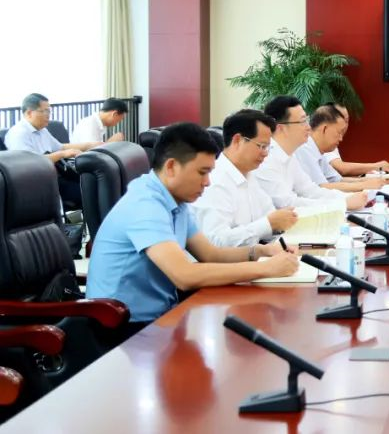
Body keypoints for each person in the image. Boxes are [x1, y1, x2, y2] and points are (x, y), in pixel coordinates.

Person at [86, 122, 299, 333]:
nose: (207, 182)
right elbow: (184, 275)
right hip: (122, 328)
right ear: (171, 167)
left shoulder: (175, 200)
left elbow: (210, 254)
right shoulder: (145, 204)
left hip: (161, 317)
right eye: (202, 172)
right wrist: (265, 269)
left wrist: (261, 252)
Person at [191, 109, 299, 247]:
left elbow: (270, 217)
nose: (265, 154)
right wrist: (268, 224)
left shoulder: (249, 176)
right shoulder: (215, 181)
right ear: (237, 140)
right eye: (261, 146)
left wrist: (281, 221)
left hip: (258, 253)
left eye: (267, 147)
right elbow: (216, 242)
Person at [253, 96, 367, 210]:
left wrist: (348, 197)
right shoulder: (266, 159)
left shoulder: (290, 156)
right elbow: (288, 204)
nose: (308, 127)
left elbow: (310, 191)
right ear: (280, 128)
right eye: (302, 121)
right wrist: (343, 204)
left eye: (306, 120)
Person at [4, 93, 97, 208]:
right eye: (45, 111)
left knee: (92, 182)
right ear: (29, 113)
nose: (48, 115)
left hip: (55, 177)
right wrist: (62, 154)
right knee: (88, 193)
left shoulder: (42, 130)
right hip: (37, 184)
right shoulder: (18, 134)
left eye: (49, 111)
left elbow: (60, 147)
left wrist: (89, 145)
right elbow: (29, 163)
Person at [293, 105, 389, 192]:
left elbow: (337, 180)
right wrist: (363, 185)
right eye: (339, 132)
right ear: (324, 128)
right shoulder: (305, 147)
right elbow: (322, 187)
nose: (341, 138)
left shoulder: (318, 150)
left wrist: (371, 181)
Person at [322, 103, 389, 177]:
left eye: (347, 121)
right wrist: (376, 167)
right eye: (342, 120)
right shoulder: (325, 142)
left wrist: (363, 177)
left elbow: (337, 178)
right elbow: (342, 169)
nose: (344, 125)